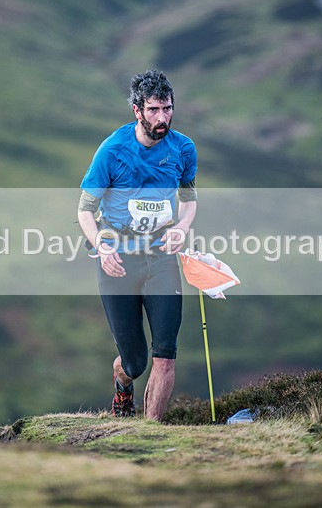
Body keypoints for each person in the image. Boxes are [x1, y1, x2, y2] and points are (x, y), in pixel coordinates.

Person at [77, 70, 198, 420]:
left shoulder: (183, 148)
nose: (163, 118)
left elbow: (189, 199)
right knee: (135, 360)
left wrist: (182, 227)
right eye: (154, 109)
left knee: (165, 355)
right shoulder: (113, 150)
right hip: (119, 261)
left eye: (168, 109)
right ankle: (123, 386)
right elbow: (85, 210)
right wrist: (101, 243)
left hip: (161, 259)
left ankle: (151, 432)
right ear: (137, 110)